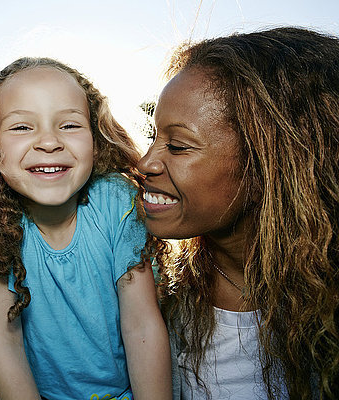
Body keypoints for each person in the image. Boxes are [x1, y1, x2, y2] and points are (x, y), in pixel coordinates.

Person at [0, 57, 171, 400]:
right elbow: (6, 342)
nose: (49, 142)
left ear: (95, 138)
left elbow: (141, 324)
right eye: (22, 127)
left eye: (69, 125)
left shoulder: (116, 201)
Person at [138, 27, 339, 400]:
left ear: (270, 165)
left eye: (178, 146)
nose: (145, 162)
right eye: (153, 137)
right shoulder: (153, 295)